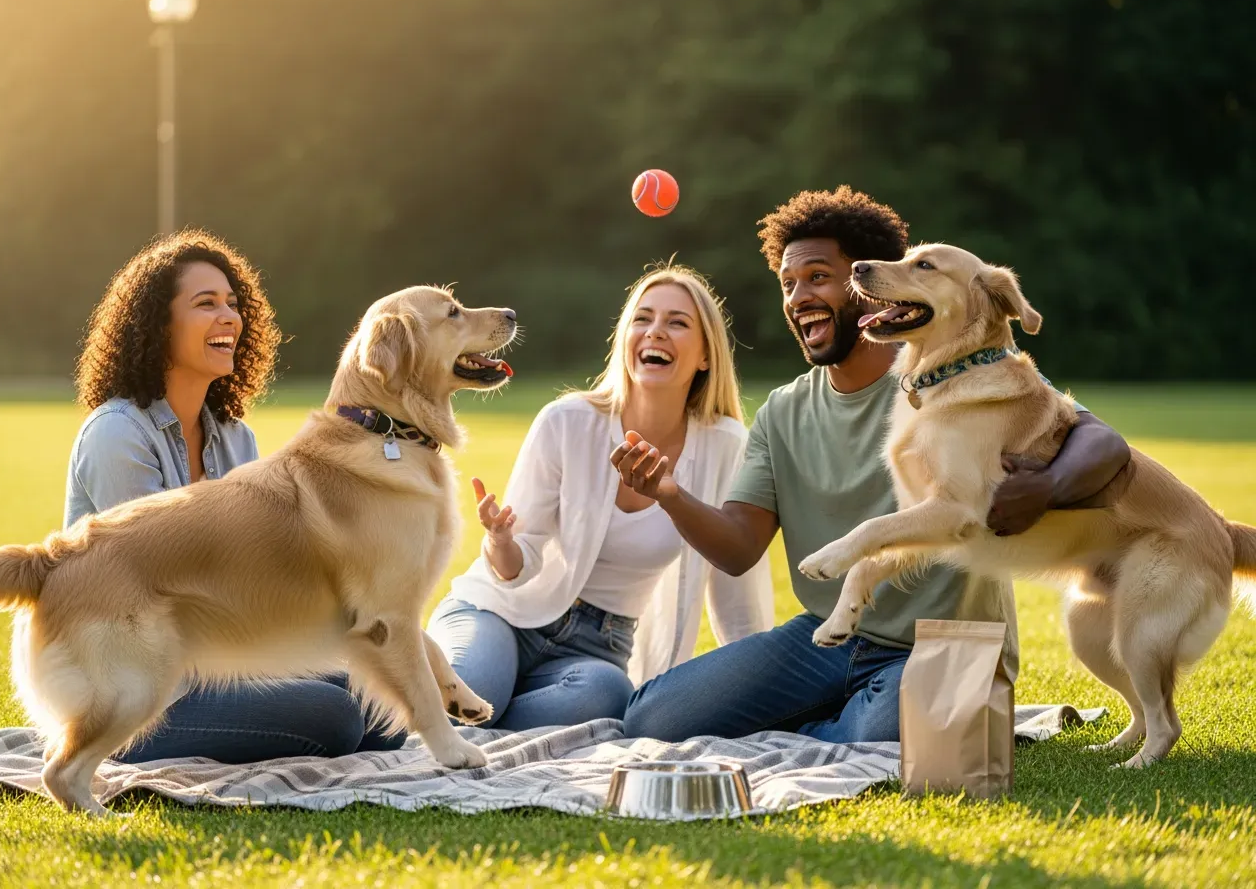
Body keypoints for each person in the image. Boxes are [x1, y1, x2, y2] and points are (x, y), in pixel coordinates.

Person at [615, 187, 1131, 743]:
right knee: (654, 717)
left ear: (873, 285)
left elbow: (1103, 443)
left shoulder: (961, 378)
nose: (798, 298)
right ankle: (842, 713)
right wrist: (670, 493)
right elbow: (739, 548)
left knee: (876, 736)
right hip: (824, 638)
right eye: (788, 284)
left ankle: (870, 714)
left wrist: (1049, 486)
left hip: (947, 642)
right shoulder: (783, 411)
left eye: (818, 277)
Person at [65, 229, 404, 763]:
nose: (230, 316)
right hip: (135, 686)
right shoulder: (117, 434)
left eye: (233, 303)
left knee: (380, 702)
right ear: (157, 325)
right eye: (206, 304)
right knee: (335, 717)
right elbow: (148, 587)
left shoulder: (232, 434)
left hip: (218, 658)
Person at [427, 264, 774, 730]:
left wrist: (758, 688)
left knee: (605, 700)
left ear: (706, 355)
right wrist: (500, 541)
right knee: (475, 693)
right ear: (625, 338)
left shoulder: (727, 445)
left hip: (598, 649)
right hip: (501, 613)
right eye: (643, 318)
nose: (656, 332)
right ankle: (441, 696)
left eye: (677, 322)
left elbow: (737, 585)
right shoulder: (566, 421)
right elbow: (514, 565)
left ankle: (479, 714)